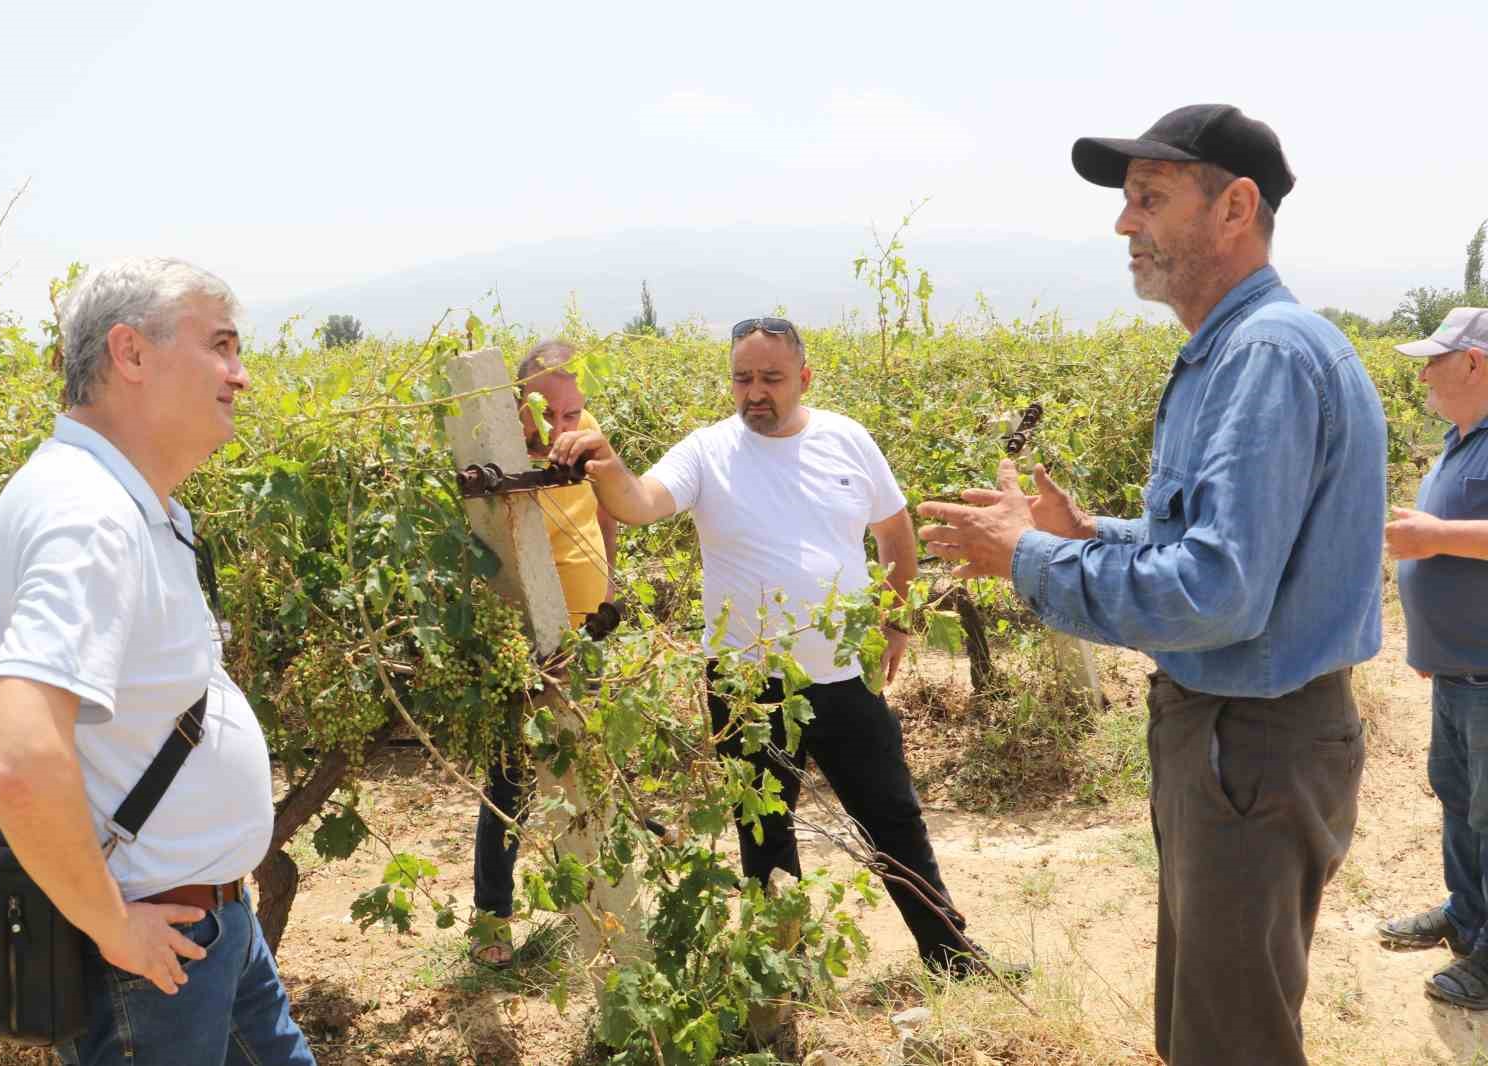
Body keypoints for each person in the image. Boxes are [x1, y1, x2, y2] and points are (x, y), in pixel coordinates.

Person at [916, 105, 1386, 1065]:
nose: (1125, 224)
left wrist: (1030, 560)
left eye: (1150, 198)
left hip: (1248, 744)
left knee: (1230, 1040)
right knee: (1214, 1020)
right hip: (1240, 740)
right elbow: (1233, 542)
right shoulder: (1243, 352)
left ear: (1235, 207)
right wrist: (1093, 535)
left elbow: (1219, 593)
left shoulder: (1263, 356)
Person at [548, 316, 1023, 977]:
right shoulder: (707, 451)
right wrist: (607, 463)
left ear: (803, 378)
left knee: (893, 818)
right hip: (745, 686)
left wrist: (894, 622)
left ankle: (950, 956)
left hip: (844, 674)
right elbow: (640, 502)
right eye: (743, 378)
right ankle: (783, 972)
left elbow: (894, 532)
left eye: (771, 378)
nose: (756, 392)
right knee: (765, 835)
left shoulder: (847, 440)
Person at [0, 259, 315, 1065]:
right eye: (220, 346)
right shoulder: (88, 516)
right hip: (152, 952)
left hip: (201, 930)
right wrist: (112, 924)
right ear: (130, 353)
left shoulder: (117, 502)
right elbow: (17, 754)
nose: (242, 374)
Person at [470, 339, 618, 967]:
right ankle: (491, 921)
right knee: (511, 782)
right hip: (528, 645)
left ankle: (596, 906)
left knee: (591, 770)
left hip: (587, 635)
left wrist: (609, 579)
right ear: (518, 402)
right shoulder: (496, 461)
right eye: (548, 413)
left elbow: (608, 507)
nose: (562, 427)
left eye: (572, 413)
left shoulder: (586, 436)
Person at [1375, 307, 1488, 1008]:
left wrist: (1438, 534)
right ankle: (1466, 915)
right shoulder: (1458, 440)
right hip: (1458, 671)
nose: (1421, 374)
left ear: (1475, 363)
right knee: (1458, 804)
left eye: (1434, 360)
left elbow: (1448, 539)